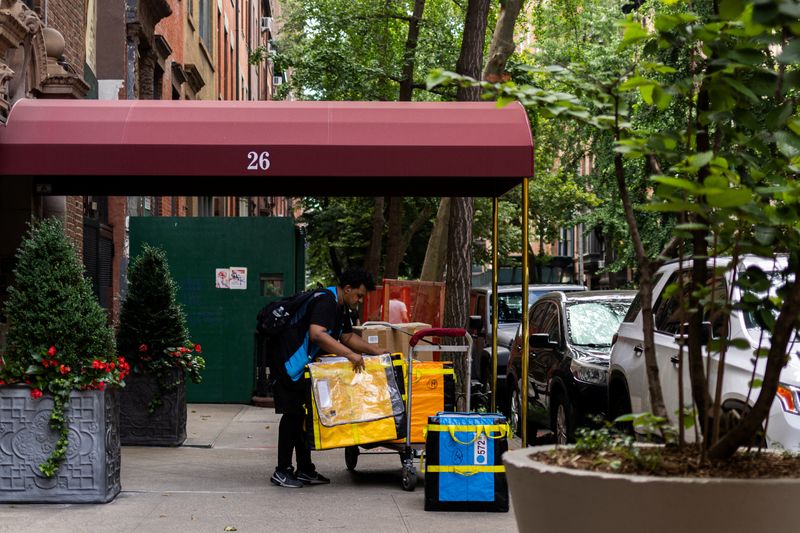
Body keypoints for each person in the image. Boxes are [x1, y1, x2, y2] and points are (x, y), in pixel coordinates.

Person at [270, 267, 385, 488]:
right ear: (347, 289)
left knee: (303, 416)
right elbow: (317, 334)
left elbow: (348, 336)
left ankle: (305, 469)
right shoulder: (326, 302)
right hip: (288, 363)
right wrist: (350, 355)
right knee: (292, 415)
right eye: (359, 295)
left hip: (301, 365)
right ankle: (282, 470)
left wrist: (375, 351)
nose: (360, 301)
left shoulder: (340, 308)